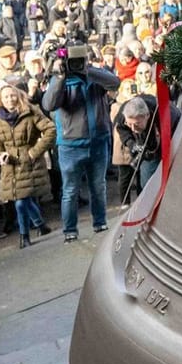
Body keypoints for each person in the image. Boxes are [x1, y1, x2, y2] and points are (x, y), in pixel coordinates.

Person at [42, 44, 120, 242]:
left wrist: (90, 70)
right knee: (70, 190)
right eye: (74, 61)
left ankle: (100, 223)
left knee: (98, 186)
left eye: (81, 60)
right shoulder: (61, 79)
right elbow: (49, 104)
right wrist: (60, 77)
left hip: (98, 141)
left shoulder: (95, 76)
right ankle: (69, 231)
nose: (77, 65)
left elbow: (115, 83)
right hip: (71, 145)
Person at [0, 83, 54, 246]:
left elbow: (50, 129)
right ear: (0, 100)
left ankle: (24, 236)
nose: (10, 99)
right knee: (22, 197)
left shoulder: (31, 111)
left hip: (29, 161)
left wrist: (34, 151)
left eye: (12, 95)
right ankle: (40, 224)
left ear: (18, 96)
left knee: (20, 200)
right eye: (6, 97)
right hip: (9, 164)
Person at [114, 94, 163, 203]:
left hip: (163, 141)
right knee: (146, 183)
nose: (133, 129)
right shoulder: (123, 113)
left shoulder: (161, 112)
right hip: (143, 146)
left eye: (136, 124)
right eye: (129, 124)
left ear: (147, 115)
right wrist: (131, 143)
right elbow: (121, 128)